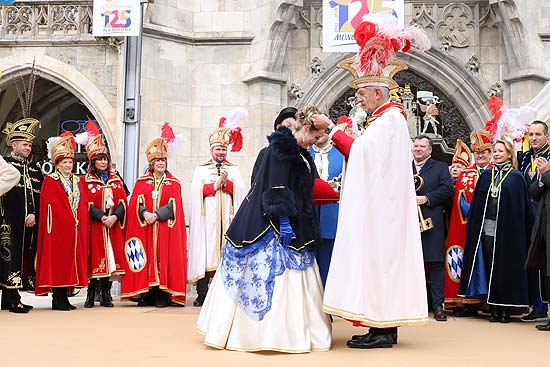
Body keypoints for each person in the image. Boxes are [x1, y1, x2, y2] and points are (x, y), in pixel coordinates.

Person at [318, 11, 430, 349]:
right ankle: (378, 325)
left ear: (378, 94)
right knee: (375, 266)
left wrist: (334, 130)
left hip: (385, 213)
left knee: (381, 265)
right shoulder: (382, 120)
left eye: (363, 95)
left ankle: (383, 330)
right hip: (380, 209)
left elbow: (364, 155)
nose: (359, 100)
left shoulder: (390, 120)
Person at [197, 105, 332, 353]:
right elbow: (276, 188)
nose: (317, 140)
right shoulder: (282, 149)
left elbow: (305, 184)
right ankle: (264, 335)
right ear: (305, 129)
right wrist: (283, 221)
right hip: (271, 223)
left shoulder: (302, 152)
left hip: (297, 219)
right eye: (316, 134)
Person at [459, 135, 531, 323]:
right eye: (496, 151)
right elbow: (476, 206)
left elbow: (521, 208)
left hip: (508, 232)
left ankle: (505, 308)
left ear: (509, 154)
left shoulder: (516, 177)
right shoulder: (485, 176)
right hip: (487, 229)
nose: (497, 154)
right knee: (490, 266)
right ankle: (493, 308)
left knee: (505, 268)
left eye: (500, 151)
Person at [120, 135, 187, 307]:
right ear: (151, 163)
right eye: (157, 161)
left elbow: (175, 207)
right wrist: (144, 213)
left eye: (163, 160)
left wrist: (156, 214)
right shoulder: (141, 182)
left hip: (165, 229)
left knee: (163, 259)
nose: (160, 163)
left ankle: (162, 295)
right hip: (146, 229)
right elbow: (136, 202)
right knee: (147, 259)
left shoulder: (173, 183)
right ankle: (147, 293)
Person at [188, 114, 247, 307]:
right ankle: (202, 294)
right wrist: (215, 185)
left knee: (226, 256)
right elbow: (196, 192)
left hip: (228, 220)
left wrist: (227, 183)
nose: (221, 152)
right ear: (211, 150)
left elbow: (241, 191)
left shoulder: (235, 169)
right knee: (206, 253)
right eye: (218, 149)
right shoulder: (201, 169)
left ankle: (226, 294)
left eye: (224, 149)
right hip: (208, 221)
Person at [35, 133, 89, 310]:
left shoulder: (77, 180)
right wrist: (63, 220)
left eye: (70, 162)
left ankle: (64, 297)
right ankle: (57, 298)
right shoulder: (51, 180)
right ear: (57, 164)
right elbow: (50, 205)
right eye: (64, 162)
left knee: (69, 262)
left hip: (74, 228)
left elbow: (81, 204)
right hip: (58, 229)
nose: (67, 165)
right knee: (58, 262)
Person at [445, 130, 493, 316]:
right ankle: (468, 303)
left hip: (490, 227)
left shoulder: (497, 173)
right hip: (467, 227)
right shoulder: (466, 174)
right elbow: (460, 202)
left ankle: (490, 303)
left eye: (484, 152)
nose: (480, 155)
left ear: (489, 153)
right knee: (466, 262)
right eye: (477, 153)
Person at [1, 118, 43, 313]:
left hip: (29, 225)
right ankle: (11, 299)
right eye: (25, 145)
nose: (28, 148)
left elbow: (38, 196)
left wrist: (33, 213)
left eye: (30, 145)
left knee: (20, 259)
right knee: (9, 258)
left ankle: (12, 297)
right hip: (8, 221)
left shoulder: (34, 169)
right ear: (14, 145)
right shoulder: (6, 166)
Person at [81, 132, 127, 308]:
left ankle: (107, 293)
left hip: (112, 226)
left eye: (105, 159)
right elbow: (84, 205)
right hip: (95, 226)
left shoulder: (116, 180)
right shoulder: (85, 180)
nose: (103, 162)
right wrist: (101, 216)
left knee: (111, 257)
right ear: (93, 162)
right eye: (99, 159)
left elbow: (123, 202)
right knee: (95, 257)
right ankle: (91, 293)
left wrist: (115, 216)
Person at [412, 135, 455, 321]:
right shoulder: (403, 166)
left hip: (431, 221)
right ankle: (414, 304)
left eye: (422, 146)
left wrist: (426, 198)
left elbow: (448, 189)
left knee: (435, 263)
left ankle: (438, 305)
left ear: (430, 150)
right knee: (412, 264)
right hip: (407, 221)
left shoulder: (440, 168)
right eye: (416, 146)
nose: (418, 149)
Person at [520, 121, 550, 322]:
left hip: (545, 216)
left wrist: (545, 174)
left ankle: (543, 307)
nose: (534, 138)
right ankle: (537, 305)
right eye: (531, 134)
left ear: (547, 136)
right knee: (534, 262)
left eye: (538, 134)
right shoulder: (524, 158)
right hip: (528, 215)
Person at [308, 133, 343, 286]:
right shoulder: (303, 152)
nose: (319, 133)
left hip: (332, 212)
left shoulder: (341, 153)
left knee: (330, 259)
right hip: (308, 213)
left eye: (322, 129)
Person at [526, 142, 550, 331]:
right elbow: (534, 191)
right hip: (544, 224)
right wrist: (541, 178)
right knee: (546, 273)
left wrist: (546, 173)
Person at [250, 107, 297, 185]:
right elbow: (256, 183)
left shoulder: (302, 154)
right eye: (288, 126)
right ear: (278, 127)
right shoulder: (265, 153)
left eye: (296, 128)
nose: (292, 131)